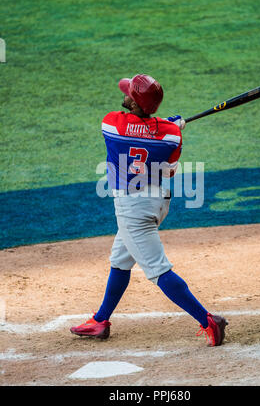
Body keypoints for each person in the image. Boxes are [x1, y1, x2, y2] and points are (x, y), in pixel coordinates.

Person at [70, 74, 228, 346]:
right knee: (120, 259)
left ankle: (208, 321)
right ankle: (100, 320)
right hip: (156, 202)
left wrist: (164, 124)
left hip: (133, 210)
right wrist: (170, 126)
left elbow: (136, 129)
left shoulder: (111, 123)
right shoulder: (172, 136)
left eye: (129, 93)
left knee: (157, 270)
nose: (125, 95)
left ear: (134, 103)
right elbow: (170, 169)